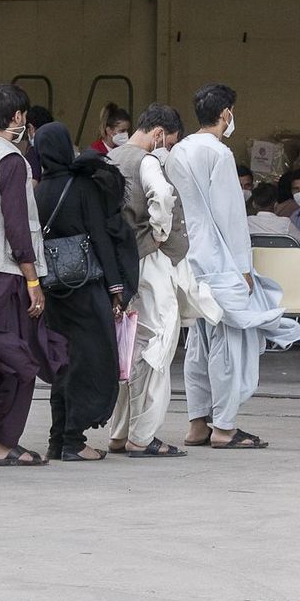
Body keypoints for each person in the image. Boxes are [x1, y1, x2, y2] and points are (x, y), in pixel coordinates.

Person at [167, 83, 300, 449]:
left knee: (198, 341)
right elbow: (231, 216)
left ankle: (197, 423)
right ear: (226, 114)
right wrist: (244, 267)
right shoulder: (219, 155)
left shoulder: (177, 151)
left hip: (188, 259)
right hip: (220, 260)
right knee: (230, 343)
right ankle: (224, 427)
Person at [0, 83, 67, 466]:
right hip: (5, 270)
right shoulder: (10, 159)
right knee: (17, 356)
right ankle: (4, 442)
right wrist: (33, 279)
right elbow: (17, 224)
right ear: (18, 117)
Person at [34, 122, 138, 462]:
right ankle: (73, 441)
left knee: (65, 364)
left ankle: (58, 438)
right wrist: (116, 287)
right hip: (86, 286)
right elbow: (101, 236)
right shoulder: (81, 186)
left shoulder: (37, 191)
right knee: (93, 360)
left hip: (54, 290)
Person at [102, 103, 192, 457]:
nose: (166, 147)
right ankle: (143, 435)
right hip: (149, 262)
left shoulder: (110, 158)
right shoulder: (147, 160)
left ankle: (119, 431)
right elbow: (163, 196)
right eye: (168, 141)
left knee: (130, 346)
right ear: (158, 134)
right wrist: (158, 233)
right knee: (158, 344)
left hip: (121, 267)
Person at [246, 184, 300, 253]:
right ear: (276, 205)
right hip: (283, 266)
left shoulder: (247, 223)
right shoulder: (285, 224)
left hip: (255, 266)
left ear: (254, 204)